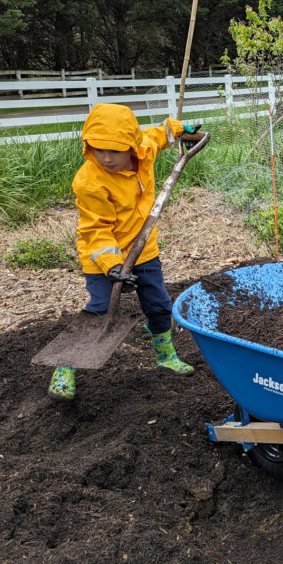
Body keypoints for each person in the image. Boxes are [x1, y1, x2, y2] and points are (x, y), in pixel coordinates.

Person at [47, 103, 207, 401]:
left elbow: (159, 134)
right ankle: (66, 364)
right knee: (102, 309)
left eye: (115, 151)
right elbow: (96, 231)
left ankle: (164, 353)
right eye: (98, 149)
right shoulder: (90, 182)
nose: (106, 158)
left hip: (143, 250)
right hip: (102, 257)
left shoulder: (143, 149)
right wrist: (112, 266)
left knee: (159, 304)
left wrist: (181, 130)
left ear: (132, 146)